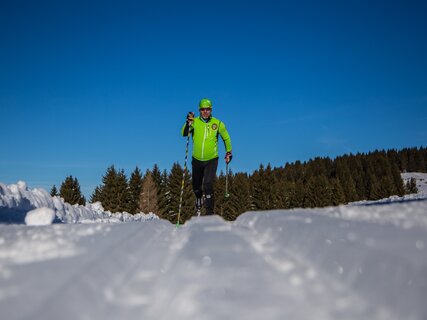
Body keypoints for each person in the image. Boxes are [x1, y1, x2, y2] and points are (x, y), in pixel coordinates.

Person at [181, 98, 232, 215]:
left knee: (208, 184)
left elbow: (226, 138)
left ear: (211, 110)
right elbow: (184, 133)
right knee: (196, 186)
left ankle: (209, 213)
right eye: (203, 109)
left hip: (211, 159)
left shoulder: (217, 123)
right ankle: (198, 197)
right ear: (199, 110)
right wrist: (188, 122)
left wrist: (228, 152)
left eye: (207, 109)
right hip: (197, 159)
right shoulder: (195, 122)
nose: (205, 112)